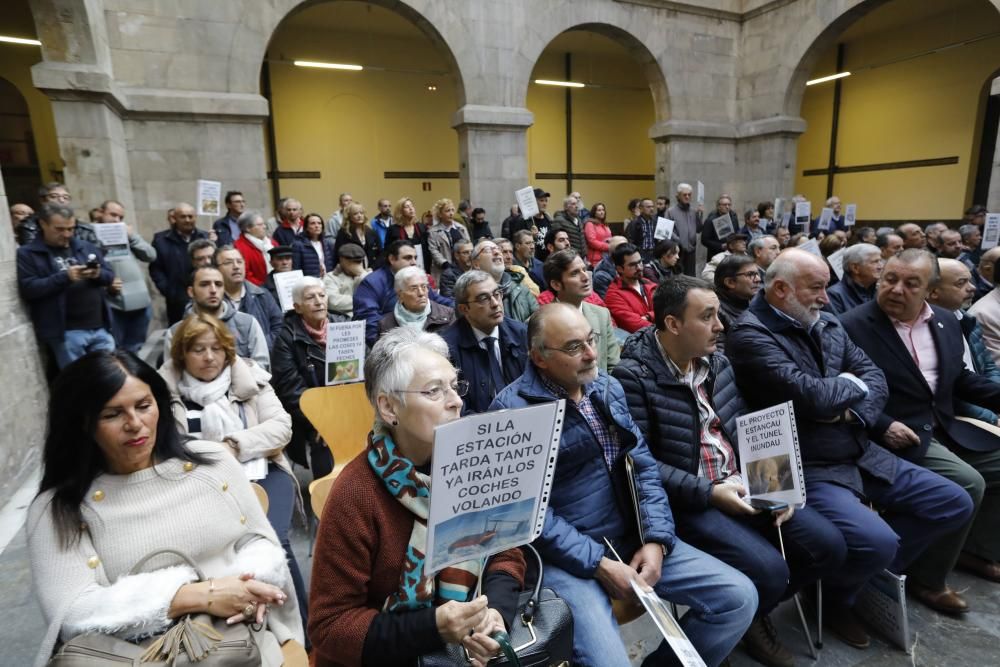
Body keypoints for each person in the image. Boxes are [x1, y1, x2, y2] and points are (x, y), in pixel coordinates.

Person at [726, 249, 974, 648]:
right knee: (878, 542)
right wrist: (843, 393)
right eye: (817, 288)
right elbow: (814, 398)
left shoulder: (824, 323)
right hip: (808, 462)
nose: (827, 297)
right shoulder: (750, 333)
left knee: (954, 502)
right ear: (780, 289)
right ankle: (842, 597)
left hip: (859, 449)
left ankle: (859, 578)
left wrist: (848, 411)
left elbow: (873, 378)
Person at [492, 303, 757, 667]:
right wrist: (598, 563)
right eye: (573, 347)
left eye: (591, 339)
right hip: (570, 558)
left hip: (633, 538)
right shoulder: (512, 412)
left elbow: (643, 466)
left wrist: (656, 539)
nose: (590, 354)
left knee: (740, 598)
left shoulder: (605, 386)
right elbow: (528, 512)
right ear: (539, 358)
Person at [614, 276, 845, 667]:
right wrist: (710, 492)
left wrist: (773, 483)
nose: (721, 326)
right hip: (691, 501)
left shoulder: (717, 362)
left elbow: (740, 425)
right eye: (708, 317)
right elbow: (641, 464)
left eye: (718, 314)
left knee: (828, 546)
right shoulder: (633, 378)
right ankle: (733, 624)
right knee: (770, 572)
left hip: (743, 484)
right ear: (673, 324)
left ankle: (750, 619)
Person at [28, 350, 302, 666]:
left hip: (237, 638)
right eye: (112, 414)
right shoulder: (58, 508)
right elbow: (74, 610)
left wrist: (247, 589)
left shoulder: (213, 462)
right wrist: (198, 596)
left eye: (144, 406)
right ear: (82, 424)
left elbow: (259, 542)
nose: (135, 424)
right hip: (130, 655)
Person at [308, 327, 526, 667]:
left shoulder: (472, 464)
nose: (456, 401)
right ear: (389, 407)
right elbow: (329, 626)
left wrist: (495, 612)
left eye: (455, 386)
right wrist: (432, 627)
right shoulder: (356, 494)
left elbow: (505, 550)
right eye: (434, 391)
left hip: (463, 649)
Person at [840, 249, 1000, 611]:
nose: (896, 289)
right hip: (894, 434)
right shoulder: (852, 325)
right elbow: (844, 390)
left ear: (929, 290)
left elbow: (959, 380)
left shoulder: (945, 321)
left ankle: (972, 550)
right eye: (889, 279)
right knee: (968, 482)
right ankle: (929, 579)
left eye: (910, 283)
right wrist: (882, 424)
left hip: (944, 425)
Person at [159, 313, 307, 627]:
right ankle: (248, 622)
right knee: (221, 549)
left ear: (228, 351)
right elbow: (166, 447)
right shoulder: (163, 392)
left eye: (216, 348)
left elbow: (281, 428)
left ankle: (303, 628)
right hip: (198, 483)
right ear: (182, 354)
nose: (209, 357)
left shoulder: (250, 378)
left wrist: (232, 446)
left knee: (273, 539)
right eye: (198, 349)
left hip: (263, 471)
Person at [16, 203, 116, 368]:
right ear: (43, 224)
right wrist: (65, 277)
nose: (67, 234)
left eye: (71, 228)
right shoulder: (28, 253)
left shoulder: (85, 247)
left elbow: (109, 276)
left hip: (100, 327)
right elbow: (29, 288)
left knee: (109, 378)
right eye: (60, 229)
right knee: (78, 382)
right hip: (66, 332)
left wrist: (97, 274)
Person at [271, 277, 349, 478]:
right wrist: (322, 420)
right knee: (323, 440)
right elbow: (291, 389)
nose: (318, 301)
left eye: (322, 295)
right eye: (310, 297)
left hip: (349, 403)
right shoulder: (286, 338)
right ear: (297, 307)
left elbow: (364, 368)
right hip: (311, 412)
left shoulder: (345, 325)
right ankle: (327, 501)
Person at [440, 271, 527, 415]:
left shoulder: (521, 333)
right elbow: (455, 403)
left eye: (497, 294)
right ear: (464, 309)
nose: (495, 303)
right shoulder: (447, 348)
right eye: (483, 299)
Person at [928, 258, 1000, 426]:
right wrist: (992, 417)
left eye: (970, 280)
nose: (972, 287)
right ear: (933, 292)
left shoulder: (965, 318)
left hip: (986, 402)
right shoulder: (925, 330)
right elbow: (951, 391)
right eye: (961, 283)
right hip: (956, 417)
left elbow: (988, 368)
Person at [163, 264, 270, 370]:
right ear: (191, 292)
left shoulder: (247, 323)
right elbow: (172, 375)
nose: (213, 290)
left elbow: (262, 367)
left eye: (218, 284)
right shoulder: (176, 332)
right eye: (204, 284)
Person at [354, 240, 454, 346]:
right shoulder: (372, 283)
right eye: (408, 258)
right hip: (391, 343)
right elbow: (369, 322)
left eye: (415, 258)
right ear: (392, 259)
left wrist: (462, 305)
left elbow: (438, 300)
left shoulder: (417, 279)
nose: (414, 262)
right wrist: (386, 348)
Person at [543, 249, 620, 371]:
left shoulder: (602, 315)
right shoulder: (540, 324)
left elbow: (614, 366)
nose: (585, 277)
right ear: (556, 285)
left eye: (584, 270)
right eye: (574, 273)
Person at [96, 199, 157, 353]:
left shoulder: (128, 236)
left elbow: (150, 255)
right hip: (114, 304)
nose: (117, 220)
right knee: (115, 349)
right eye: (113, 215)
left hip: (140, 301)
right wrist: (106, 286)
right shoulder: (89, 236)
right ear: (100, 213)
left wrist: (133, 237)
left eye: (120, 217)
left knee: (135, 347)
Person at [150, 202, 210, 324]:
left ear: (195, 217)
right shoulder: (161, 240)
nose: (187, 220)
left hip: (205, 295)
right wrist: (168, 290)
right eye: (183, 217)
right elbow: (156, 269)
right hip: (176, 300)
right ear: (175, 218)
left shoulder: (205, 237)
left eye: (190, 216)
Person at [215, 246, 284, 348]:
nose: (236, 266)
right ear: (216, 269)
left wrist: (259, 348)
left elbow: (279, 327)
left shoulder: (262, 295)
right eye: (228, 263)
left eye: (239, 261)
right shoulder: (212, 299)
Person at [471, 238, 538, 323]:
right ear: (476, 264)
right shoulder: (470, 293)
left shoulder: (521, 288)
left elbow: (538, 318)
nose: (496, 252)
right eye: (488, 250)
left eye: (498, 249)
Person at [377, 265, 455, 338]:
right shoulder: (386, 324)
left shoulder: (447, 315)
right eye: (414, 288)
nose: (421, 293)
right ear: (400, 295)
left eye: (424, 287)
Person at [605, 243, 657, 333]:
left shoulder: (649, 285)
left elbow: (667, 311)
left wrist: (648, 316)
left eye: (640, 262)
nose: (639, 268)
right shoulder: (613, 295)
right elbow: (635, 325)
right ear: (620, 269)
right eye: (633, 265)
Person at [713, 254, 760, 353]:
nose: (758, 279)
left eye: (757, 274)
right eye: (751, 274)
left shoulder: (756, 303)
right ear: (730, 282)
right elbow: (720, 357)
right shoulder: (715, 311)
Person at [826, 243, 882, 315]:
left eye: (880, 261)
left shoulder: (878, 289)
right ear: (855, 268)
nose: (880, 266)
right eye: (875, 262)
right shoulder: (834, 295)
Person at [427, 197, 471, 280]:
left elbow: (468, 244)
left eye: (452, 210)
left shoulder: (461, 228)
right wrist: (445, 263)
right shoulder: (433, 231)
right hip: (443, 269)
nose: (451, 213)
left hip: (462, 267)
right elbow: (433, 250)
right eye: (447, 211)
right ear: (440, 214)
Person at [323, 242, 370, 318]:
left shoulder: (368, 275)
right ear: (342, 260)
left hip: (366, 316)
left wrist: (363, 275)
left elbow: (378, 297)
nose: (356, 265)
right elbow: (333, 302)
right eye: (352, 262)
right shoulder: (331, 277)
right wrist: (364, 301)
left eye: (358, 262)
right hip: (343, 319)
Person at [385, 196, 430, 273]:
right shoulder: (393, 229)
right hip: (402, 268)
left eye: (412, 206)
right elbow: (388, 251)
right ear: (400, 211)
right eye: (407, 207)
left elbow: (427, 251)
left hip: (421, 266)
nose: (411, 208)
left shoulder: (422, 227)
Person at [668, 183, 704, 277]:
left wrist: (700, 215)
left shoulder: (693, 211)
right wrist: (679, 241)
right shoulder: (670, 211)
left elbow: (699, 229)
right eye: (684, 195)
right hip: (677, 250)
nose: (687, 197)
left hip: (691, 250)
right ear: (678, 196)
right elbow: (667, 231)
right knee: (678, 277)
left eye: (689, 194)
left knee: (691, 276)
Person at [233, 210, 277, 286]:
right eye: (260, 225)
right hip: (257, 289)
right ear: (248, 228)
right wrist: (264, 287)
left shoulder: (272, 243)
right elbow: (245, 274)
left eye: (264, 224)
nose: (264, 227)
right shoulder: (239, 247)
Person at [335, 202, 382, 269]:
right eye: (355, 214)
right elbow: (339, 255)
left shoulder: (371, 232)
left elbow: (381, 254)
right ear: (349, 216)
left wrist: (372, 268)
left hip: (371, 270)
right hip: (351, 270)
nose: (359, 215)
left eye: (361, 213)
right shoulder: (344, 233)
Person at [293, 212, 336, 277]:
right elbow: (296, 268)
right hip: (309, 282)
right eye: (312, 223)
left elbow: (333, 264)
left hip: (328, 279)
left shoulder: (328, 243)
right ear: (306, 227)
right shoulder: (298, 245)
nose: (317, 226)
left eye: (319, 223)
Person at [702, 195, 740, 259]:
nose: (727, 207)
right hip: (716, 254)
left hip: (732, 253)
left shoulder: (734, 218)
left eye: (729, 205)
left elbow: (737, 232)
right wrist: (720, 246)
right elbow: (704, 240)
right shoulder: (710, 220)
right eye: (725, 205)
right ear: (719, 206)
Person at [551, 194, 586, 259]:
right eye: (573, 204)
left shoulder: (579, 219)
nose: (576, 206)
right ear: (566, 207)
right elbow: (555, 240)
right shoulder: (559, 220)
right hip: (568, 257)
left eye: (577, 204)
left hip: (582, 257)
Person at [625, 198, 657, 263]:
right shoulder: (634, 223)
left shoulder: (656, 222)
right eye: (648, 207)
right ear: (641, 209)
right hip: (641, 254)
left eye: (652, 206)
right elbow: (630, 241)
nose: (651, 209)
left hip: (654, 254)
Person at [583, 202, 611, 267]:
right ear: (594, 213)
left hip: (607, 256)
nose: (602, 212)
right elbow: (591, 241)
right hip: (595, 259)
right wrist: (608, 247)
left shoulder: (605, 224)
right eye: (599, 210)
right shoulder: (590, 224)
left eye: (603, 210)